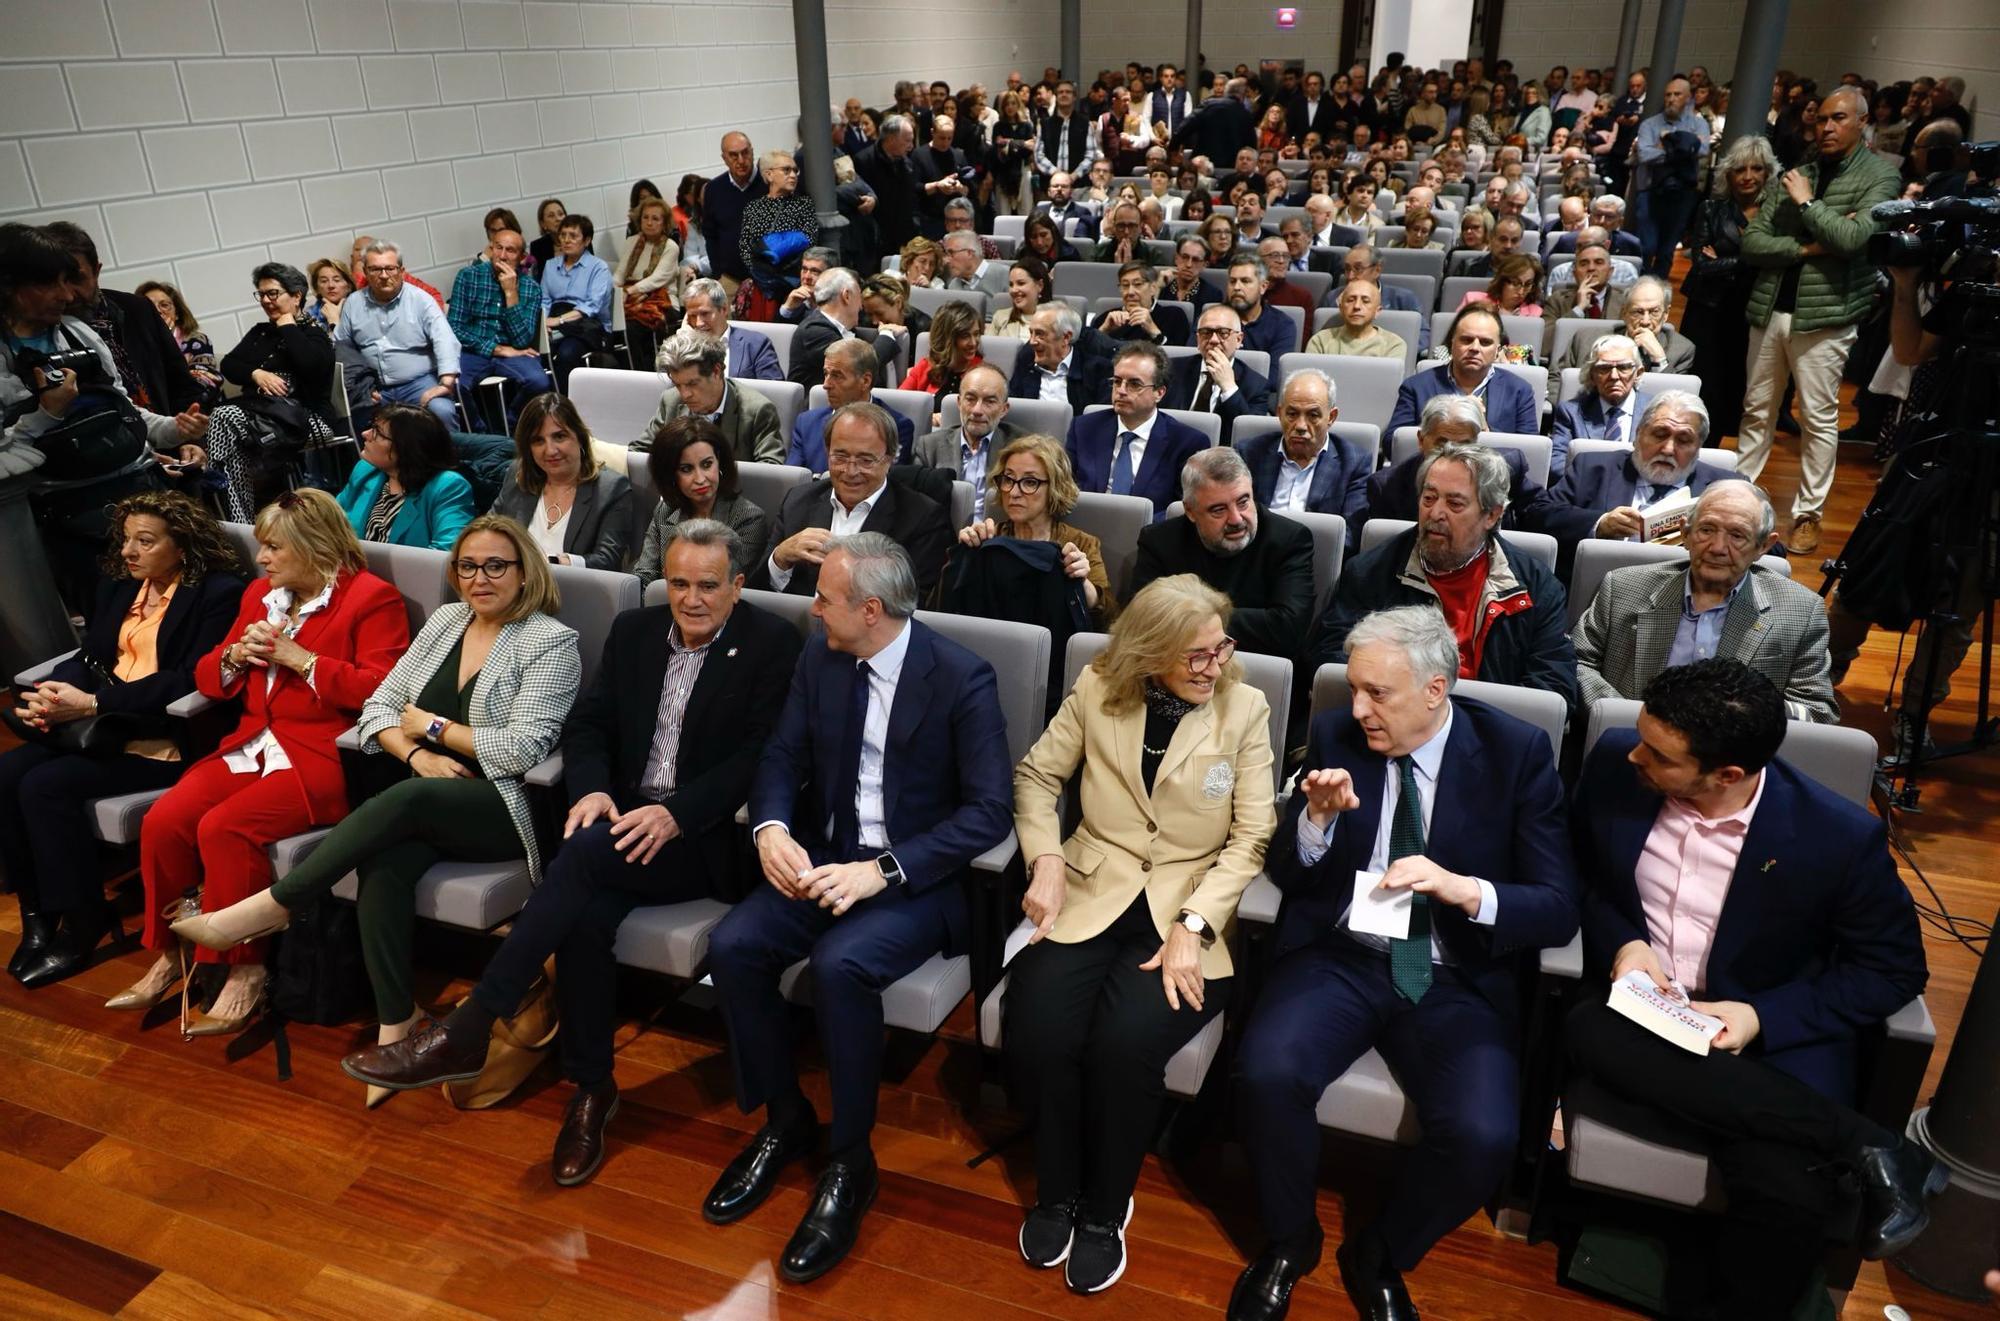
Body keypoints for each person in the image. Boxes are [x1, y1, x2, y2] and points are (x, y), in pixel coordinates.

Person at [341, 520, 800, 1170]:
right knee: (583, 914)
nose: (691, 598)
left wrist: (678, 815)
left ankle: (472, 1025)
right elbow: (591, 724)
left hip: (702, 835)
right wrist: (589, 789)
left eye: (707, 585)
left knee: (579, 859)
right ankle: (592, 1089)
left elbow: (762, 753)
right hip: (621, 820)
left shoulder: (771, 642)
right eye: (678, 583)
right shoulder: (637, 632)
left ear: (738, 584)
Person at [1229, 604, 1579, 1321]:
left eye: (1376, 693)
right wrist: (1316, 824)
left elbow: (1556, 906)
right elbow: (1289, 872)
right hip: (1343, 956)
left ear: (1435, 689)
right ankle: (1290, 1240)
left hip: (1455, 974)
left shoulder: (1516, 753)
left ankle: (1381, 1252)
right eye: (1353, 688)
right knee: (1265, 1072)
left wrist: (1464, 889)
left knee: (1483, 1134)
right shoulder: (1335, 732)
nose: (1356, 709)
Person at [1565, 660, 1938, 1319]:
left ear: (1727, 773)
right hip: (1645, 1016)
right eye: (1642, 735)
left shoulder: (1835, 837)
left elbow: (1893, 969)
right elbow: (1577, 878)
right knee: (1588, 1029)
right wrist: (1625, 940)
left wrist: (1759, 1014)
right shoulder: (1615, 767)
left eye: (1659, 752)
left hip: (1774, 1032)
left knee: (1787, 1188)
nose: (1635, 754)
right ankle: (1869, 1144)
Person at [703, 534, 1013, 1282]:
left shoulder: (962, 677)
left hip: (918, 884)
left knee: (842, 966)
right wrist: (773, 827)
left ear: (870, 610)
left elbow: (989, 812)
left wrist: (885, 870)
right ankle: (785, 1118)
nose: (811, 609)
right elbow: (782, 755)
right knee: (734, 945)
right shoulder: (823, 657)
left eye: (825, 598)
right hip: (827, 855)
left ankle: (851, 1161)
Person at [174, 514, 579, 1085]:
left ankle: (278, 903)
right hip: (426, 791)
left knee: (408, 798)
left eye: (495, 566)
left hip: (502, 806)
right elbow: (379, 711)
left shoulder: (550, 640)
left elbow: (519, 749)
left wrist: (430, 728)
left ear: (524, 571)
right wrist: (417, 754)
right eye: (467, 566)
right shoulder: (445, 622)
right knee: (382, 862)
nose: (479, 578)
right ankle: (399, 1024)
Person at [1008, 575, 1274, 1292]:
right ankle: (1056, 1190)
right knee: (1035, 1027)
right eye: (1194, 655)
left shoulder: (1243, 707)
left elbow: (1252, 836)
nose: (1212, 665)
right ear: (1149, 652)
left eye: (1219, 648)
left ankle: (1104, 1207)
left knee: (1124, 1045)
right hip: (1092, 887)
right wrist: (1048, 857)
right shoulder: (1099, 687)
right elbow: (1037, 778)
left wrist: (1194, 923)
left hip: (1186, 906)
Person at [112, 489, 410, 1029]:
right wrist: (232, 656)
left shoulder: (371, 599)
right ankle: (170, 953)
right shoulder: (259, 596)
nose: (262, 559)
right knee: (165, 821)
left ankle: (245, 969)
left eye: (273, 548)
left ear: (312, 545)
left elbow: (383, 688)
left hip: (322, 757)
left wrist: (303, 659)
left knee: (225, 828)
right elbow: (207, 677)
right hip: (250, 744)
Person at [2, 492, 244, 989]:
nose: (129, 551)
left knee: (44, 785)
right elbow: (90, 656)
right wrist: (53, 690)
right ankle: (38, 913)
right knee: (4, 773)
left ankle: (84, 917)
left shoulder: (218, 593)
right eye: (127, 539)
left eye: (145, 541)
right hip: (100, 729)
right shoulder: (121, 583)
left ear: (183, 545)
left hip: (161, 737)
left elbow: (188, 680)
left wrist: (91, 704)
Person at [1734, 87, 1899, 556]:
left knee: (1819, 419)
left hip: (1825, 317)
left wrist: (1808, 206)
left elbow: (1854, 239)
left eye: (1838, 118)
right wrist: (1808, 246)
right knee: (1757, 410)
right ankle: (1737, 497)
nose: (1826, 128)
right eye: (1821, 119)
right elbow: (1753, 244)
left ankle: (1807, 514)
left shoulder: (1880, 178)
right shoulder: (1797, 173)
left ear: (1862, 122)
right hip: (1770, 309)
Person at [1318, 440, 1578, 704]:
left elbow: (1554, 684)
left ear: (1491, 515)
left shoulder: (1536, 587)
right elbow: (1332, 655)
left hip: (1489, 732)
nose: (1436, 513)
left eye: (1454, 504)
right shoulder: (1370, 572)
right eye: (1429, 498)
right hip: (1395, 723)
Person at [1573, 483, 1837, 721]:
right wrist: (1629, 720)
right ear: (1685, 534)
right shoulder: (1623, 587)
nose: (1718, 547)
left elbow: (1816, 709)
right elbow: (1576, 662)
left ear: (1763, 546)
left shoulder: (1802, 612)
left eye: (1737, 535)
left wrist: (1742, 719)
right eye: (1707, 530)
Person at [1132, 448, 1317, 663]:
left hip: (1258, 667)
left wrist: (1186, 618)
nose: (1236, 519)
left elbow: (1288, 629)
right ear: (1190, 511)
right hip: (1175, 665)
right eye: (1219, 510)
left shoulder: (1289, 539)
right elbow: (1140, 617)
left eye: (1243, 501)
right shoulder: (1159, 541)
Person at [757, 402, 953, 599]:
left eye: (865, 460)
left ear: (889, 459)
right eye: (840, 457)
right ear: (827, 452)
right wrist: (780, 559)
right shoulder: (797, 502)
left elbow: (911, 603)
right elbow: (757, 592)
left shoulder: (923, 518)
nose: (850, 471)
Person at [1527, 391, 1739, 566]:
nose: (1668, 449)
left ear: (1698, 447)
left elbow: (1767, 548)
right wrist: (1599, 524)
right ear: (1638, 434)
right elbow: (1537, 514)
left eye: (1684, 440)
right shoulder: (1593, 468)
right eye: (1659, 434)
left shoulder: (1728, 488)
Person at [203, 262, 338, 523]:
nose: (265, 300)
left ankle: (233, 514)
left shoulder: (313, 334)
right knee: (232, 441)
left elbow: (311, 367)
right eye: (261, 294)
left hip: (306, 419)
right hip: (261, 417)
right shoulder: (260, 332)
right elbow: (230, 365)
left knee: (223, 416)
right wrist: (256, 373)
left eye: (273, 293)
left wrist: (288, 326)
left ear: (296, 296)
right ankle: (240, 516)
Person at [954, 433, 1112, 623]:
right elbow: (945, 610)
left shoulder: (1081, 544)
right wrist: (961, 557)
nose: (1013, 492)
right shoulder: (987, 540)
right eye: (1008, 479)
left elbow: (1109, 620)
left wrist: (1083, 585)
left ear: (1055, 487)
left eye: (1030, 482)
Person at [1680, 136, 1777, 440]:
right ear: (1728, 174)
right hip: (1708, 309)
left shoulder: (1776, 215)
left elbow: (1780, 257)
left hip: (1751, 310)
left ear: (1767, 173)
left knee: (1739, 385)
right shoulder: (1711, 208)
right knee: (1702, 384)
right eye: (1740, 169)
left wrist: (1729, 259)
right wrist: (1752, 259)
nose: (1748, 176)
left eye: (1756, 169)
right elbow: (1702, 265)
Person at [1065, 342, 1209, 519]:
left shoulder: (1187, 442)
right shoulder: (1084, 428)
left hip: (1149, 536)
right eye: (1117, 382)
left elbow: (1183, 510)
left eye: (1134, 384)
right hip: (1085, 529)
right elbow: (1065, 489)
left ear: (1159, 393)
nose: (1121, 391)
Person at [490, 393, 633, 569]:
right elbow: (489, 533)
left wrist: (553, 563)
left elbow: (607, 561)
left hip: (576, 590)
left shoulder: (611, 488)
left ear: (580, 437)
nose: (550, 450)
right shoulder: (517, 475)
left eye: (559, 437)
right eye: (538, 441)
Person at [333, 240, 462, 428]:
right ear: (366, 272)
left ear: (401, 271)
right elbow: (342, 348)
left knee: (442, 411)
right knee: (353, 422)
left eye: (390, 269)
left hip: (420, 382)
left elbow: (445, 341)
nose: (384, 275)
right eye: (375, 269)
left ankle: (450, 458)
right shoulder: (353, 303)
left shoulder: (420, 300)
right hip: (376, 390)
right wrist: (361, 388)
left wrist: (445, 383)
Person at [634, 415, 771, 589]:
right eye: (686, 469)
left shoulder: (748, 519)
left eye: (707, 465)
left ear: (719, 462)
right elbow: (644, 575)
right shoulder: (666, 510)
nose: (700, 479)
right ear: (671, 475)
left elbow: (724, 588)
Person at [447, 227, 551, 434]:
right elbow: (454, 328)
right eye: (498, 248)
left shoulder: (530, 287)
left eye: (510, 251)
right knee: (454, 385)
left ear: (522, 257)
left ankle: (512, 428)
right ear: (491, 248)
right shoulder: (468, 277)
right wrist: (496, 349)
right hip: (475, 350)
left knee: (539, 381)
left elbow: (522, 340)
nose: (502, 255)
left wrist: (511, 293)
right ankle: (482, 435)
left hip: (515, 351)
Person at [334, 401, 476, 550]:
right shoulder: (366, 470)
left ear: (406, 448)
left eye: (378, 432)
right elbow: (328, 522)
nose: (365, 434)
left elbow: (447, 553)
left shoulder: (447, 486)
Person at [1242, 368, 1371, 528]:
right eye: (1292, 414)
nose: (1301, 426)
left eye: (1313, 415)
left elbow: (1350, 535)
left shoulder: (1354, 463)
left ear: (1331, 417)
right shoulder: (1249, 453)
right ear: (1280, 413)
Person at [1386, 305, 1539, 439]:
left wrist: (1485, 432)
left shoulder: (1519, 390)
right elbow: (1392, 442)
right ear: (1452, 344)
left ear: (1498, 350)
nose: (1474, 348)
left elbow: (1529, 453)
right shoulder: (1416, 386)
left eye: (1485, 342)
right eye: (1466, 340)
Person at [642, 327, 784, 466]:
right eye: (677, 385)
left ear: (716, 371)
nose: (685, 395)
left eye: (693, 384)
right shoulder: (671, 400)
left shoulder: (757, 411)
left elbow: (770, 470)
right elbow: (640, 451)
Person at [913, 365, 1019, 521]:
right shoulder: (929, 447)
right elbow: (913, 504)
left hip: (996, 537)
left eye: (989, 401)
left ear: (1004, 409)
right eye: (970, 399)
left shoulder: (1020, 448)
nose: (977, 410)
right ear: (959, 402)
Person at [790, 337, 914, 470]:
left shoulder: (897, 427)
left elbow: (889, 481)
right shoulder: (807, 423)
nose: (826, 385)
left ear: (865, 381)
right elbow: (793, 479)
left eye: (837, 376)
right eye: (826, 374)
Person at [1631, 77, 1711, 277]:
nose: (1671, 99)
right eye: (1668, 94)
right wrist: (1684, 148)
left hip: (1682, 193)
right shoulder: (1650, 124)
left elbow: (1703, 150)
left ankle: (1659, 293)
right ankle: (1641, 286)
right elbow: (1644, 155)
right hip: (1650, 190)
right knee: (1647, 246)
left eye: (1677, 94)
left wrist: (1664, 146)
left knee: (1667, 250)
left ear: (1688, 98)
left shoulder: (1699, 124)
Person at [1549, 333, 1648, 478]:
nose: (1614, 376)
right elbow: (1556, 463)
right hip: (1585, 493)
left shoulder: (1655, 413)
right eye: (1604, 368)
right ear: (1592, 375)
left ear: (1638, 373)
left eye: (1623, 367)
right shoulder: (1571, 412)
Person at [1550, 275, 1693, 375]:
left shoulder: (1681, 350)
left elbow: (1676, 403)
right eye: (1638, 312)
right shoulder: (1585, 339)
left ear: (1666, 314)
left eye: (1654, 312)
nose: (1645, 321)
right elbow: (1557, 379)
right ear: (1624, 312)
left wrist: (1660, 359)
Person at [541, 214, 614, 393]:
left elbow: (591, 306)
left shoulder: (598, 267)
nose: (566, 240)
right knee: (536, 356)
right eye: (563, 235)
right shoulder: (550, 266)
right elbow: (544, 300)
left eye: (573, 236)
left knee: (566, 354)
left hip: (587, 326)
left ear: (587, 240)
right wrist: (543, 324)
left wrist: (558, 321)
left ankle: (568, 408)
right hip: (555, 325)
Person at [615, 196, 685, 376]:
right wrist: (614, 292)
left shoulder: (671, 246)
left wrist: (629, 291)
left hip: (662, 300)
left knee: (632, 329)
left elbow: (658, 279)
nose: (649, 222)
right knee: (613, 324)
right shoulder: (631, 241)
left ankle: (643, 375)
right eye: (645, 217)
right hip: (630, 300)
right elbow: (620, 274)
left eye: (655, 218)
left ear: (664, 223)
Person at [789, 268, 888, 389]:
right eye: (859, 296)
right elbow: (858, 366)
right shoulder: (814, 330)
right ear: (846, 296)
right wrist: (887, 336)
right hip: (818, 405)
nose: (861, 307)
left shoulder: (843, 329)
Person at [1014, 302, 1113, 414]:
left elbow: (1100, 420)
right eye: (1031, 333)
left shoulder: (1097, 370)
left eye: (1040, 334)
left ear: (1066, 337)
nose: (1032, 342)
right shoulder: (1025, 363)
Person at [135, 280, 222, 403]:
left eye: (164, 305)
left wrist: (166, 341)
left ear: (177, 314)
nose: (157, 311)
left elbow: (200, 385)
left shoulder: (197, 341)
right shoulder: (134, 347)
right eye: (149, 307)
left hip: (199, 407)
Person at [700, 132, 767, 294]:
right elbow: (710, 235)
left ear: (752, 151)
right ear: (724, 158)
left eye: (745, 153)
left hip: (767, 280)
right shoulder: (713, 189)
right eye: (733, 155)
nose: (741, 160)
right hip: (730, 279)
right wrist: (717, 273)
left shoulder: (769, 183)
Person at [682, 278, 782, 381]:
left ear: (724, 309)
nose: (699, 323)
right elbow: (667, 384)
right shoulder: (683, 345)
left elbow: (775, 392)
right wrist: (683, 345)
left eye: (705, 314)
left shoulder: (756, 344)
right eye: (692, 316)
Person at [1092, 260, 1190, 348]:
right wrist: (1103, 331)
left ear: (1153, 288)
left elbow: (1181, 361)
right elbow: (1085, 356)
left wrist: (1154, 331)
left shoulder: (1173, 316)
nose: (1130, 292)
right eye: (1125, 285)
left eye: (1137, 284)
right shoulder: (1107, 319)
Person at [899, 297, 983, 396]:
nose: (973, 343)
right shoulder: (925, 367)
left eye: (976, 334)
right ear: (947, 338)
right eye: (965, 336)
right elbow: (899, 401)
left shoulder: (982, 372)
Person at [1304, 279, 1405, 361]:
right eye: (1350, 300)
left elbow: (1388, 382)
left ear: (1377, 311)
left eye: (1365, 301)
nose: (1357, 306)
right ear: (1341, 308)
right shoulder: (1320, 340)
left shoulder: (1393, 344)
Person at [1222, 252, 1298, 360]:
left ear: (1263, 286)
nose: (1236, 287)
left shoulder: (1282, 325)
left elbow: (1275, 374)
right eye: (1232, 281)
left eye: (1245, 281)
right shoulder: (1209, 319)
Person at [1460, 252, 1544, 319]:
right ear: (1501, 281)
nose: (1521, 292)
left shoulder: (1535, 313)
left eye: (1528, 284)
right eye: (1515, 283)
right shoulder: (1472, 300)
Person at [987, 258, 1048, 340]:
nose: (1013, 290)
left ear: (1040, 285)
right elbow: (988, 350)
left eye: (1021, 283)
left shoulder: (1057, 320)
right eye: (1011, 284)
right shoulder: (1000, 317)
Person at [305, 258, 354, 330]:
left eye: (337, 280)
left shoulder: (359, 311)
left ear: (349, 286)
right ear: (316, 288)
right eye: (324, 281)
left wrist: (334, 320)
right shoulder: (307, 316)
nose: (331, 285)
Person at [529, 199, 566, 271]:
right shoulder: (537, 246)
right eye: (551, 216)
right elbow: (539, 277)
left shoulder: (581, 239)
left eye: (561, 214)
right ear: (543, 224)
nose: (558, 219)